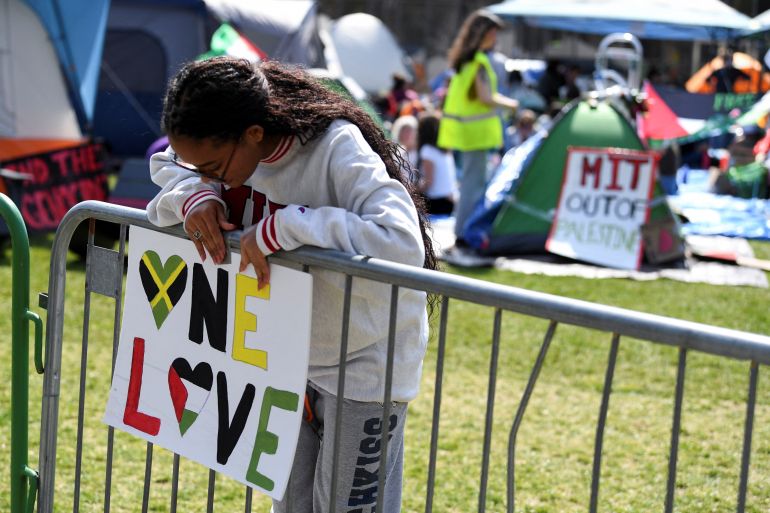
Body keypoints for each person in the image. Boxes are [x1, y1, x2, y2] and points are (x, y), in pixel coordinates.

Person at [146, 56, 438, 513]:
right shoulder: (218, 153)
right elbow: (167, 165)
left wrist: (293, 227)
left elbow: (401, 243)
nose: (206, 175)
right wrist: (195, 196)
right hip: (282, 358)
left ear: (254, 135)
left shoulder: (336, 146)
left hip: (366, 358)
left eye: (214, 168)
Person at [437, 9, 518, 247]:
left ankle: (463, 231)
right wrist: (510, 103)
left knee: (471, 183)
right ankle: (464, 233)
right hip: (477, 134)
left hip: (467, 134)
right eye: (493, 32)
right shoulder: (478, 62)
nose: (496, 37)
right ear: (483, 33)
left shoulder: (464, 61)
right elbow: (485, 97)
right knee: (473, 185)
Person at [416, 112, 457, 215]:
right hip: (450, 200)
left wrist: (410, 190)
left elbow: (429, 181)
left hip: (438, 203)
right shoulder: (446, 149)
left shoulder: (427, 150)